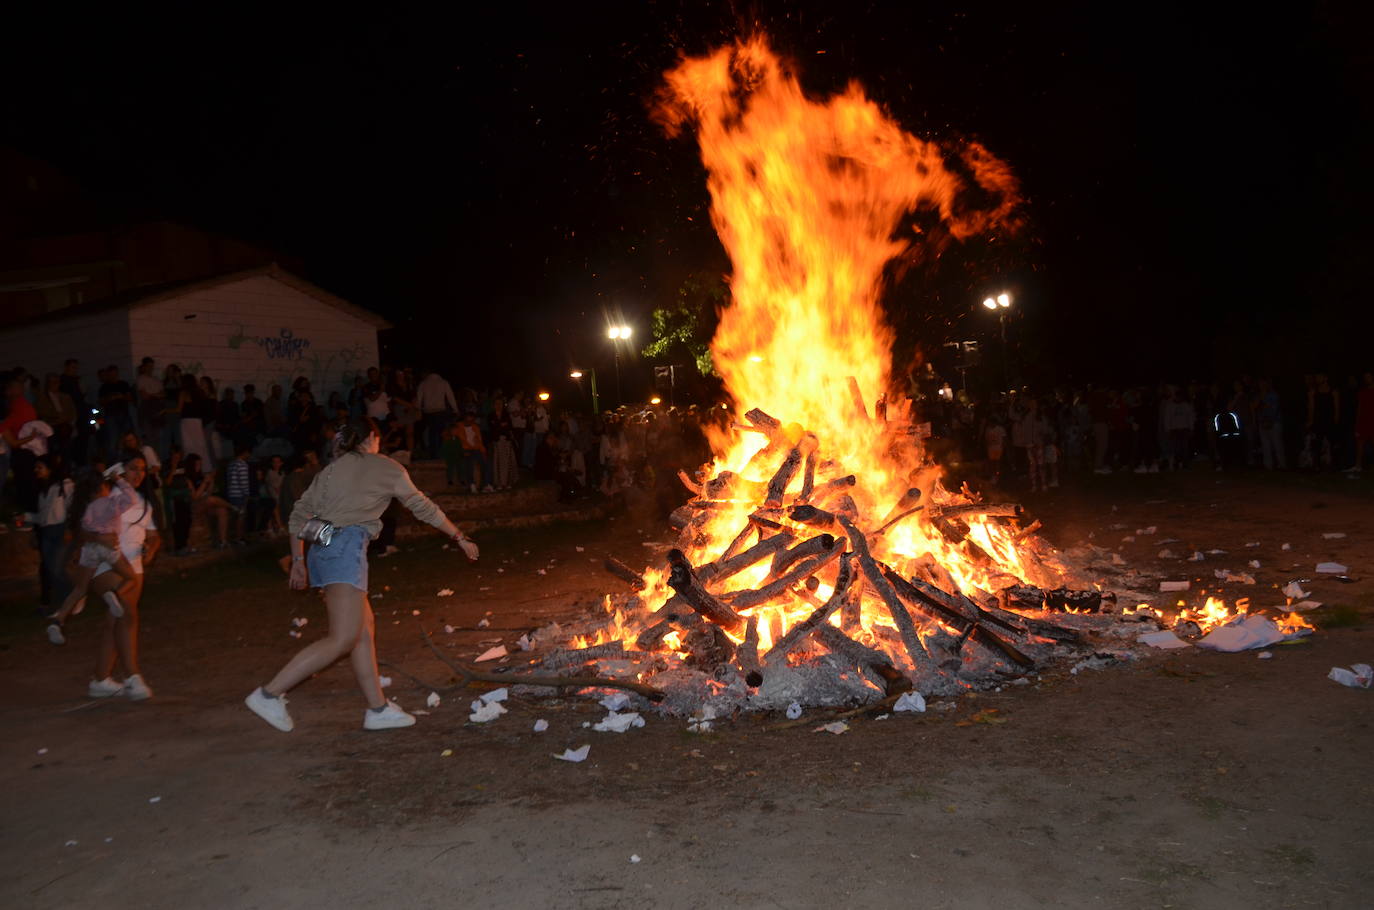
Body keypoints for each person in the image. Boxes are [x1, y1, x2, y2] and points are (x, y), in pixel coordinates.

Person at [244, 416, 479, 733]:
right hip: (344, 549)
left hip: (322, 547)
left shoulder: (331, 470)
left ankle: (378, 708)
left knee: (362, 630)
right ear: (373, 436)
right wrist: (459, 537)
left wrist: (299, 559)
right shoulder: (386, 466)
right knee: (342, 638)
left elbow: (299, 515)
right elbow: (422, 507)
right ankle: (269, 694)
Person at [85, 453, 160, 700]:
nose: (138, 474)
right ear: (119, 470)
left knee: (114, 621)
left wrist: (152, 547)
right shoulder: (108, 498)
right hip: (109, 567)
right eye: (132, 468)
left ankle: (100, 678)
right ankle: (132, 677)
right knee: (127, 615)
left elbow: (152, 533)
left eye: (142, 469)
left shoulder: (143, 502)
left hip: (134, 568)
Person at [46, 465, 142, 644]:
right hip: (109, 547)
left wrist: (96, 535)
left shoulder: (88, 508)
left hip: (91, 549)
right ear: (102, 487)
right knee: (131, 578)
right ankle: (114, 594)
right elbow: (132, 498)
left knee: (80, 589)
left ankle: (58, 621)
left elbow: (85, 525)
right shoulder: (111, 502)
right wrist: (119, 480)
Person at [34, 456, 74, 612]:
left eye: (40, 467)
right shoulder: (42, 490)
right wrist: (28, 517)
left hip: (61, 530)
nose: (36, 471)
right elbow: (43, 516)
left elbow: (72, 508)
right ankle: (61, 603)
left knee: (57, 569)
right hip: (47, 532)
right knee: (51, 570)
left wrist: (69, 528)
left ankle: (73, 597)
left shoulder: (65, 485)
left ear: (50, 469)